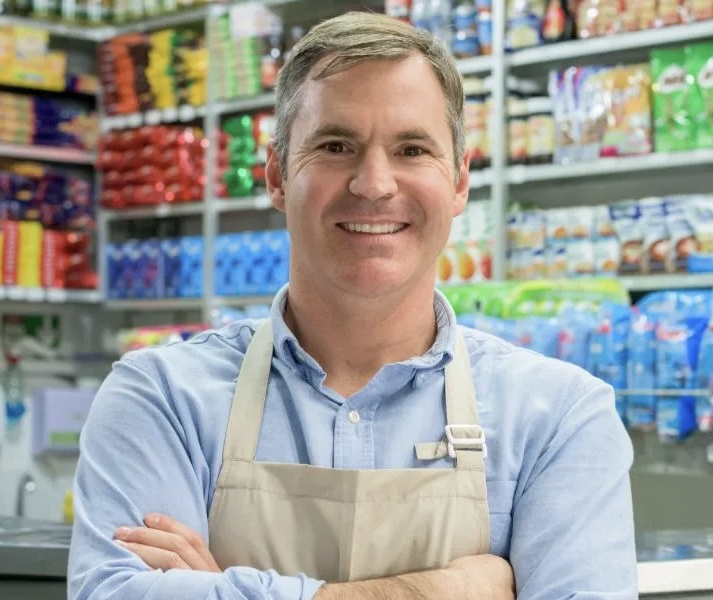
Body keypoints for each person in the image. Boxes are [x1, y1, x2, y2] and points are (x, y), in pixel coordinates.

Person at [68, 11, 637, 600]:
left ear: (461, 183)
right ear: (277, 176)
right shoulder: (161, 400)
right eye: (336, 146)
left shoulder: (559, 418)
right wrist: (440, 591)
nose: (373, 184)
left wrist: (223, 589)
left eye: (413, 148)